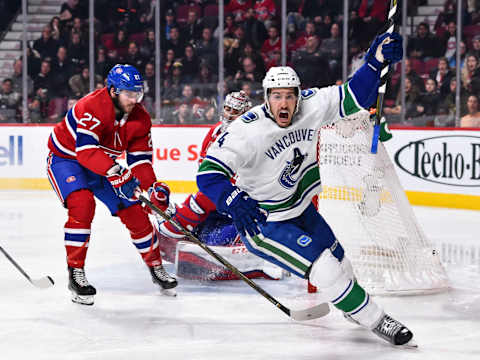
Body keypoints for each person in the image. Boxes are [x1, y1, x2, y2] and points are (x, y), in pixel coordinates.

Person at [196, 33, 416, 346]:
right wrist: (233, 200)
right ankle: (378, 319)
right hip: (265, 222)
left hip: (301, 210)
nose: (283, 103)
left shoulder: (312, 105)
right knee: (325, 269)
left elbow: (356, 95)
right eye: (276, 96)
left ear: (298, 96)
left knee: (342, 263)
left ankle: (353, 310)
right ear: (266, 97)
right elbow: (208, 174)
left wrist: (374, 62)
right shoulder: (246, 130)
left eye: (289, 96)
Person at [46, 64, 177, 305]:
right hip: (68, 160)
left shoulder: (140, 118)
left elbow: (141, 162)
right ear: (113, 91)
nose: (134, 99)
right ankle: (76, 273)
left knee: (135, 212)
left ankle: (156, 267)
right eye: (129, 93)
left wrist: (151, 189)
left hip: (103, 164)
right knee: (82, 205)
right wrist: (117, 173)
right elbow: (85, 152)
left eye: (137, 93)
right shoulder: (91, 106)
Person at [156, 91, 279, 280]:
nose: (229, 114)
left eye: (235, 111)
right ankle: (181, 229)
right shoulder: (215, 132)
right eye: (227, 109)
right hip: (217, 207)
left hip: (240, 209)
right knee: (202, 236)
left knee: (215, 235)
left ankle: (177, 226)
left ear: (245, 114)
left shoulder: (255, 138)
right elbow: (203, 167)